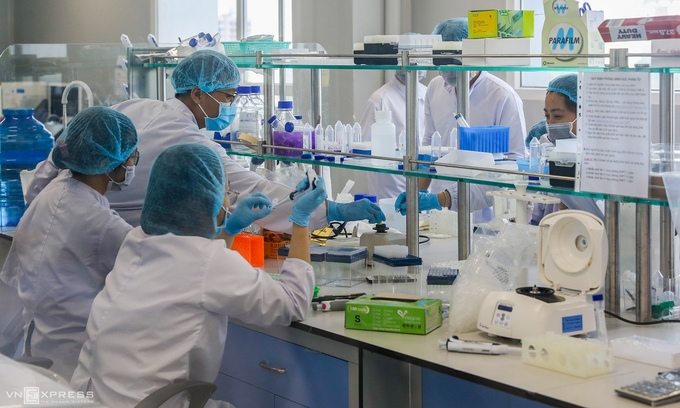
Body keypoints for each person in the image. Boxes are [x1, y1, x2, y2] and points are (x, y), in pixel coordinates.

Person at [71, 143, 326, 408]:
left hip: (97, 397)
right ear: (209, 199)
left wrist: (229, 229)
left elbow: (198, 268)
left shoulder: (137, 240)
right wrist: (300, 221)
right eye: (226, 192)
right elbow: (293, 302)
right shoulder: (208, 262)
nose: (229, 198)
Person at [25, 50, 384, 232]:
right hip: (123, 239)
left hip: (68, 226)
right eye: (228, 98)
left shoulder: (134, 106)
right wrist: (330, 211)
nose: (231, 107)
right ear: (198, 93)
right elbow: (252, 191)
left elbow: (65, 157)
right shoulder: (193, 144)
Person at [0, 106, 139, 381]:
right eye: (132, 156)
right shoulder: (104, 224)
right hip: (72, 362)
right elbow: (155, 264)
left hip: (29, 345)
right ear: (112, 163)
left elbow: (38, 183)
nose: (134, 163)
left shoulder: (55, 190)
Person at [395, 17, 527, 220]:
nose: (445, 69)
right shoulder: (435, 87)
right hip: (438, 212)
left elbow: (513, 167)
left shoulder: (503, 97)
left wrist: (444, 198)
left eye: (453, 61)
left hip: (484, 214)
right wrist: (417, 195)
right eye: (440, 61)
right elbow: (429, 145)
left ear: (472, 55)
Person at [529, 73, 604, 224]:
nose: (549, 123)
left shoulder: (601, 164)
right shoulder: (550, 160)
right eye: (547, 116)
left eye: (557, 116)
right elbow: (537, 221)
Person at [360, 65, 427, 200]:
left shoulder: (428, 93)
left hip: (426, 187)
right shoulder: (379, 100)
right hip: (390, 189)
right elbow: (364, 150)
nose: (415, 64)